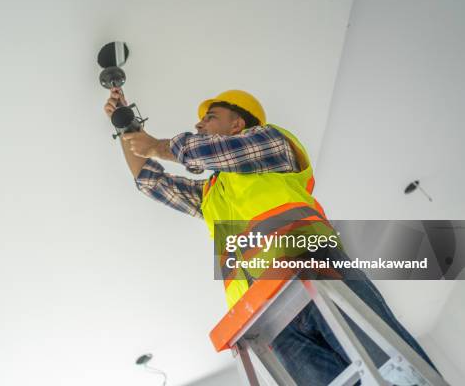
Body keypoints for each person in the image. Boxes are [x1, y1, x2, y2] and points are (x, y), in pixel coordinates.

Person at [103, 88, 440, 385]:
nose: (199, 125)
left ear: (237, 125)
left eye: (210, 117)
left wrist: (159, 146)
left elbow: (214, 152)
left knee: (394, 372)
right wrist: (127, 129)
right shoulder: (211, 194)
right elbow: (150, 181)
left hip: (315, 272)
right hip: (266, 315)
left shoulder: (273, 144)